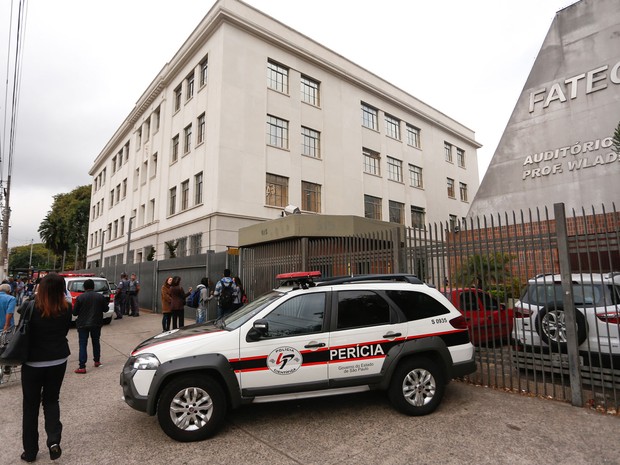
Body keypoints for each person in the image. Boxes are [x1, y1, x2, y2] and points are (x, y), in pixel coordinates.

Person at [20, 273, 71, 463]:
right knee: (51, 400)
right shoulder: (67, 308)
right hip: (58, 360)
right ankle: (53, 440)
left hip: (33, 362)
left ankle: (30, 451)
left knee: (30, 406)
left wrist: (34, 295)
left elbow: (21, 320)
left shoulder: (31, 306)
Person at [72, 279, 108, 374]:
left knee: (83, 344)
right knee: (96, 342)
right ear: (93, 287)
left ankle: (82, 366)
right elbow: (106, 309)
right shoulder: (100, 297)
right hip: (96, 323)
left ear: (84, 287)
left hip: (82, 324)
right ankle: (97, 361)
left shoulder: (80, 298)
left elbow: (75, 313)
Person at [0, 283, 16, 378]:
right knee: (7, 347)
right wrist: (6, 325)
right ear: (9, 291)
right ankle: (6, 367)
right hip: (6, 328)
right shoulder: (11, 298)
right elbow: (9, 313)